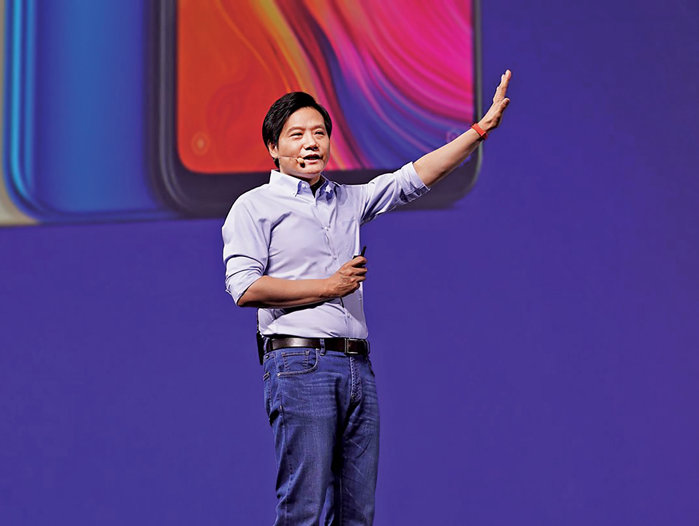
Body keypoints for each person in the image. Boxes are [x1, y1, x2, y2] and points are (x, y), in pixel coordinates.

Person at [222, 70, 512, 525]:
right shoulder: (254, 206)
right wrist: (329, 286)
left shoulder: (347, 200)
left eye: (319, 133)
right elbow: (245, 288)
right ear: (273, 148)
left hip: (357, 365)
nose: (311, 143)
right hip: (299, 363)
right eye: (296, 135)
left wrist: (479, 130)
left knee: (357, 513)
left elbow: (414, 177)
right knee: (303, 509)